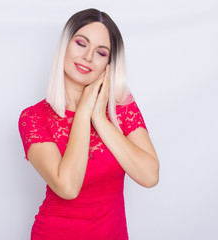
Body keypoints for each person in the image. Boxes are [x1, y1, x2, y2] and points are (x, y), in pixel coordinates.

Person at [18, 8, 159, 240]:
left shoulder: (121, 108)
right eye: (81, 43)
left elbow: (149, 176)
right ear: (65, 45)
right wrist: (83, 113)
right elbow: (68, 187)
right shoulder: (34, 117)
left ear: (109, 64)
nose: (88, 57)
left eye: (101, 52)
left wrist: (100, 119)